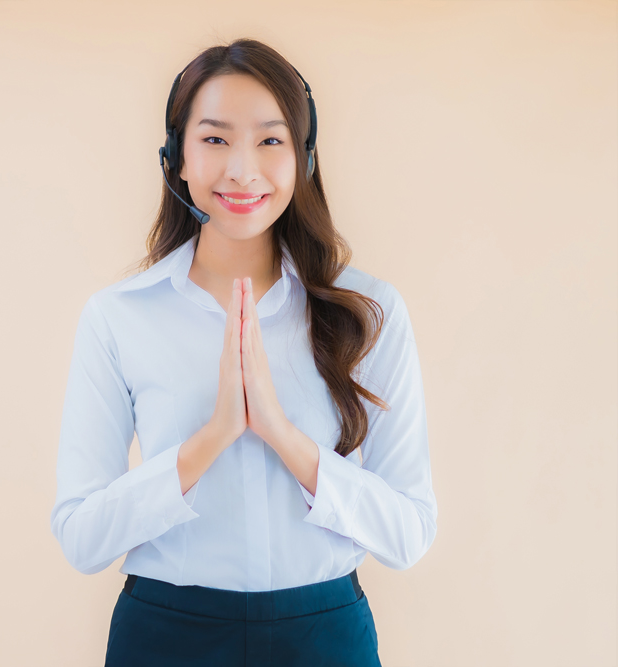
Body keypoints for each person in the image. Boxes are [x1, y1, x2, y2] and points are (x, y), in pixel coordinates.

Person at [49, 38, 437, 667]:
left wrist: (284, 436)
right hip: (166, 636)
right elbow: (82, 538)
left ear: (304, 158)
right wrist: (210, 440)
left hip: (324, 636)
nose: (241, 169)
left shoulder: (368, 312)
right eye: (214, 139)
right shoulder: (118, 317)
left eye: (270, 140)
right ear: (175, 158)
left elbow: (409, 532)